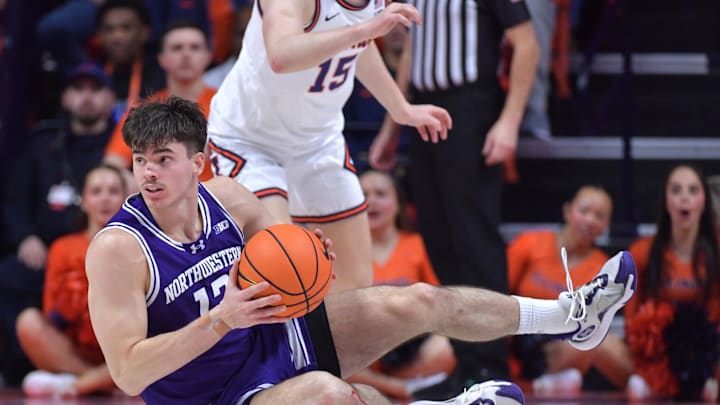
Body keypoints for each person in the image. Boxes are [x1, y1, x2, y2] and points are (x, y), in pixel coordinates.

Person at [86, 97, 636, 405]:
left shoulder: (228, 197)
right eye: (140, 160)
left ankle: (570, 316)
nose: (149, 172)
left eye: (163, 158)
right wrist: (221, 321)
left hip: (277, 336)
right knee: (337, 397)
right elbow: (128, 374)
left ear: (199, 162)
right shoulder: (117, 250)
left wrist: (308, 248)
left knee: (416, 300)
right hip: (213, 396)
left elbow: (281, 245)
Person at [206, 0, 453, 293]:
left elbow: (358, 46)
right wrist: (364, 29)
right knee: (280, 268)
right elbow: (282, 55)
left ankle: (325, 339)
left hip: (318, 142)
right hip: (251, 140)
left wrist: (400, 109)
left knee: (356, 283)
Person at [369, 0, 540, 391]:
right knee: (439, 237)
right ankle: (468, 364)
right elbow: (411, 50)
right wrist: (391, 127)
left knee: (474, 242)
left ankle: (491, 366)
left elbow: (527, 44)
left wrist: (510, 122)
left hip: (471, 109)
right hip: (424, 113)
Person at [0, 62, 115, 385]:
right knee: (8, 279)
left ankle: (79, 376)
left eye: (96, 90)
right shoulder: (43, 143)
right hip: (50, 250)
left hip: (105, 248)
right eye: (79, 90)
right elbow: (15, 199)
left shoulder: (121, 143)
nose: (87, 98)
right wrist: (25, 236)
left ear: (110, 98)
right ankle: (28, 362)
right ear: (64, 98)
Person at [506, 185, 632, 394]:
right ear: (567, 211)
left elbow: (593, 325)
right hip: (519, 341)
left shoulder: (603, 268)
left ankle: (548, 383)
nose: (590, 220)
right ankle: (531, 384)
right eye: (584, 211)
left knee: (600, 342)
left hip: (564, 346)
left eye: (599, 216)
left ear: (605, 226)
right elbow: (499, 293)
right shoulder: (529, 243)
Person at [16, 164, 127, 398]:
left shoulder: (138, 245)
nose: (105, 198)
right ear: (84, 201)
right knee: (28, 322)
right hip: (77, 351)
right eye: (96, 191)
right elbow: (51, 317)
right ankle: (98, 380)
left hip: (126, 347)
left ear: (125, 199)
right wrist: (70, 306)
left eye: (113, 191)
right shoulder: (63, 248)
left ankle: (78, 385)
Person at [347, 170, 456, 400]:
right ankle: (400, 388)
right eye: (363, 194)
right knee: (331, 355)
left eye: (381, 194)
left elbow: (438, 300)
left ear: (398, 204)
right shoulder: (346, 248)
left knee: (448, 344)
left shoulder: (416, 244)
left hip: (411, 346)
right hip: (363, 351)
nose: (372, 201)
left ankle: (382, 386)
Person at [625, 164, 720, 402]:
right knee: (604, 345)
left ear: (704, 202)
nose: (684, 197)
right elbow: (631, 317)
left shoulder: (717, 250)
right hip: (655, 354)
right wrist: (648, 354)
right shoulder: (642, 251)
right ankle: (651, 383)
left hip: (709, 357)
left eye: (692, 190)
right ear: (666, 201)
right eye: (676, 190)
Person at [104, 20, 215, 183]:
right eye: (177, 48)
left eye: (195, 47)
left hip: (218, 200)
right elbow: (112, 164)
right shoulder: (144, 110)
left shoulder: (228, 105)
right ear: (162, 58)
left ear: (208, 56)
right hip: (159, 200)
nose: (186, 54)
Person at [95, 0, 165, 121]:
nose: (117, 36)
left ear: (145, 32)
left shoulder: (164, 75)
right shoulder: (91, 75)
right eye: (109, 29)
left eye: (126, 28)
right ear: (99, 35)